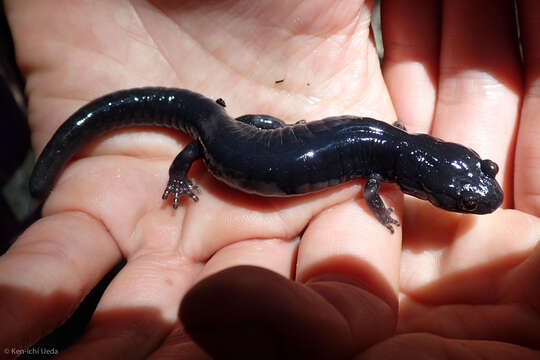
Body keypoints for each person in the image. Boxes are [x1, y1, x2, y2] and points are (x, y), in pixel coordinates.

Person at [2, 1, 539, 358]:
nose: (475, 197)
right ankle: (74, 173)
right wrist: (182, 171)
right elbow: (374, 193)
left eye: (470, 189)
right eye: (462, 200)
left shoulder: (389, 142)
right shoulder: (381, 172)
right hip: (222, 144)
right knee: (206, 139)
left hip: (239, 131)